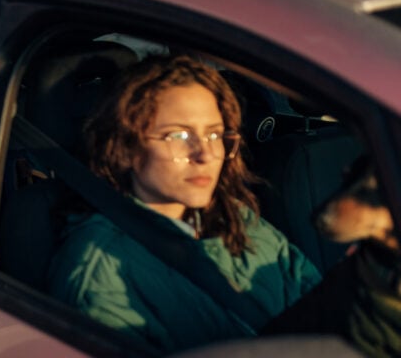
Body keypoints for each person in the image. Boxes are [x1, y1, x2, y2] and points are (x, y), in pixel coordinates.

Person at [47, 55, 321, 353]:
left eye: (214, 134)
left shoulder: (237, 217)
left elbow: (323, 308)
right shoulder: (100, 273)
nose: (206, 154)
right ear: (125, 148)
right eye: (179, 135)